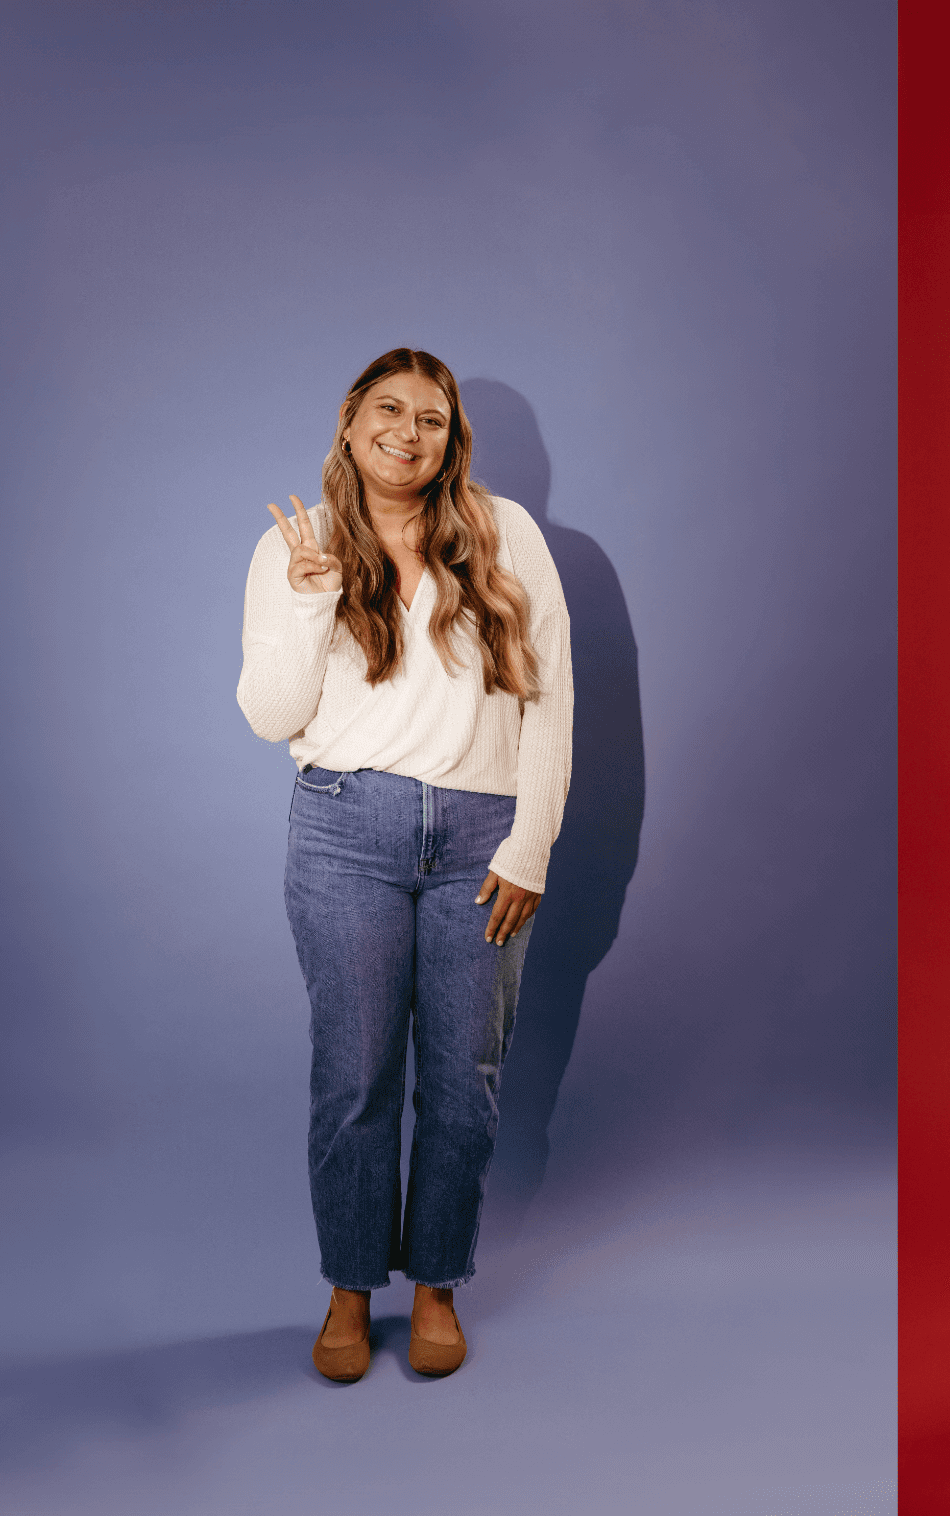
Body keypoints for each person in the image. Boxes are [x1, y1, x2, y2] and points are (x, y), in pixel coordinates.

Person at [236, 347, 570, 1382]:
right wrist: (306, 599)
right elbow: (269, 717)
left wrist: (530, 845)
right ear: (349, 421)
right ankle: (347, 1289)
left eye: (431, 416)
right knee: (354, 1075)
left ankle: (435, 1285)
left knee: (463, 1083)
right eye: (388, 409)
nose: (407, 431)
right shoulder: (295, 544)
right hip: (345, 830)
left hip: (480, 834)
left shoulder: (504, 531)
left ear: (449, 435)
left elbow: (551, 698)